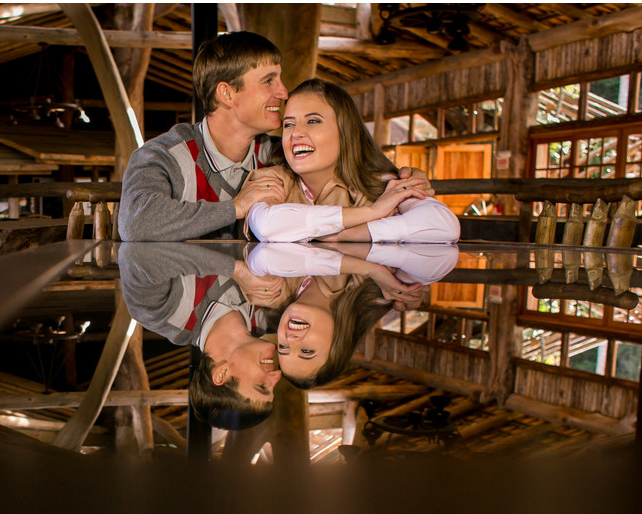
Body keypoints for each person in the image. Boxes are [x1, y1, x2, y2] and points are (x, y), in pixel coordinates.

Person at [118, 32, 429, 241]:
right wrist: (236, 207)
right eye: (269, 81)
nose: (283, 92)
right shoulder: (163, 156)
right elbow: (136, 222)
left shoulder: (282, 154)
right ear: (227, 93)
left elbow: (351, 165)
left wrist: (400, 179)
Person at [246, 78, 460, 245]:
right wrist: (372, 213)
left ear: (345, 131)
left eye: (312, 121)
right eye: (289, 124)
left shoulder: (377, 182)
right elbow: (266, 225)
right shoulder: (274, 178)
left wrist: (355, 234)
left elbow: (444, 226)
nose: (296, 133)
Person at [244, 242, 459, 389]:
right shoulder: (378, 285)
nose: (290, 339)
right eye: (306, 351)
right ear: (339, 342)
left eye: (283, 347)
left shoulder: (264, 289)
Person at [118, 242, 283, 429]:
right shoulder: (274, 315)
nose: (276, 376)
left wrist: (235, 270)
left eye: (262, 386)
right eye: (273, 387)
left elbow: (135, 254)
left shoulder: (163, 314)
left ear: (223, 374)